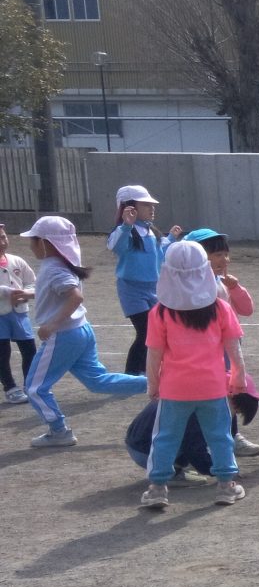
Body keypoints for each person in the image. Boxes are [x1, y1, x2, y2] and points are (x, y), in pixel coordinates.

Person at [138, 241, 248, 510]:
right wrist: (238, 377)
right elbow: (234, 347)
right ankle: (226, 485)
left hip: (175, 389)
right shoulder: (220, 308)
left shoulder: (160, 312)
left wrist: (153, 384)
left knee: (165, 437)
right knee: (220, 436)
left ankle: (157, 488)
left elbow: (154, 354)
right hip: (213, 387)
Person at [20, 216, 147, 447]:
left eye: (33, 240)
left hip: (64, 336)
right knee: (98, 381)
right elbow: (56, 292)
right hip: (81, 331)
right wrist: (30, 294)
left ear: (46, 243)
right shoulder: (61, 264)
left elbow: (75, 297)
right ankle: (157, 383)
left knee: (35, 388)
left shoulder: (54, 268)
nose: (30, 245)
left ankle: (59, 431)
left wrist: (52, 324)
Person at [182, 228, 259, 458]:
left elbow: (247, 309)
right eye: (217, 255)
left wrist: (235, 288)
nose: (224, 260)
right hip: (207, 352)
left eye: (226, 254)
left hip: (229, 349)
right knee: (209, 396)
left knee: (231, 392)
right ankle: (207, 441)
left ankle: (232, 436)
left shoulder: (223, 282)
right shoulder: (190, 288)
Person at [106, 185, 183, 375]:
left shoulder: (150, 231)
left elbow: (161, 252)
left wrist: (172, 238)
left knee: (155, 332)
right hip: (131, 290)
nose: (152, 208)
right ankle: (132, 374)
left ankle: (143, 371)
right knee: (145, 332)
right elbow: (115, 247)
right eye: (146, 204)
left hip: (154, 289)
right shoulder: (125, 231)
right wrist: (126, 225)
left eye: (151, 204)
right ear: (129, 207)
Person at [0, 225, 37, 405]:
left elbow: (32, 283)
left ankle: (30, 385)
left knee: (29, 349)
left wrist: (26, 293)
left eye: (3, 237)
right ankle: (10, 388)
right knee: (2, 352)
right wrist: (7, 291)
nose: (2, 242)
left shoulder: (17, 261)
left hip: (20, 313)